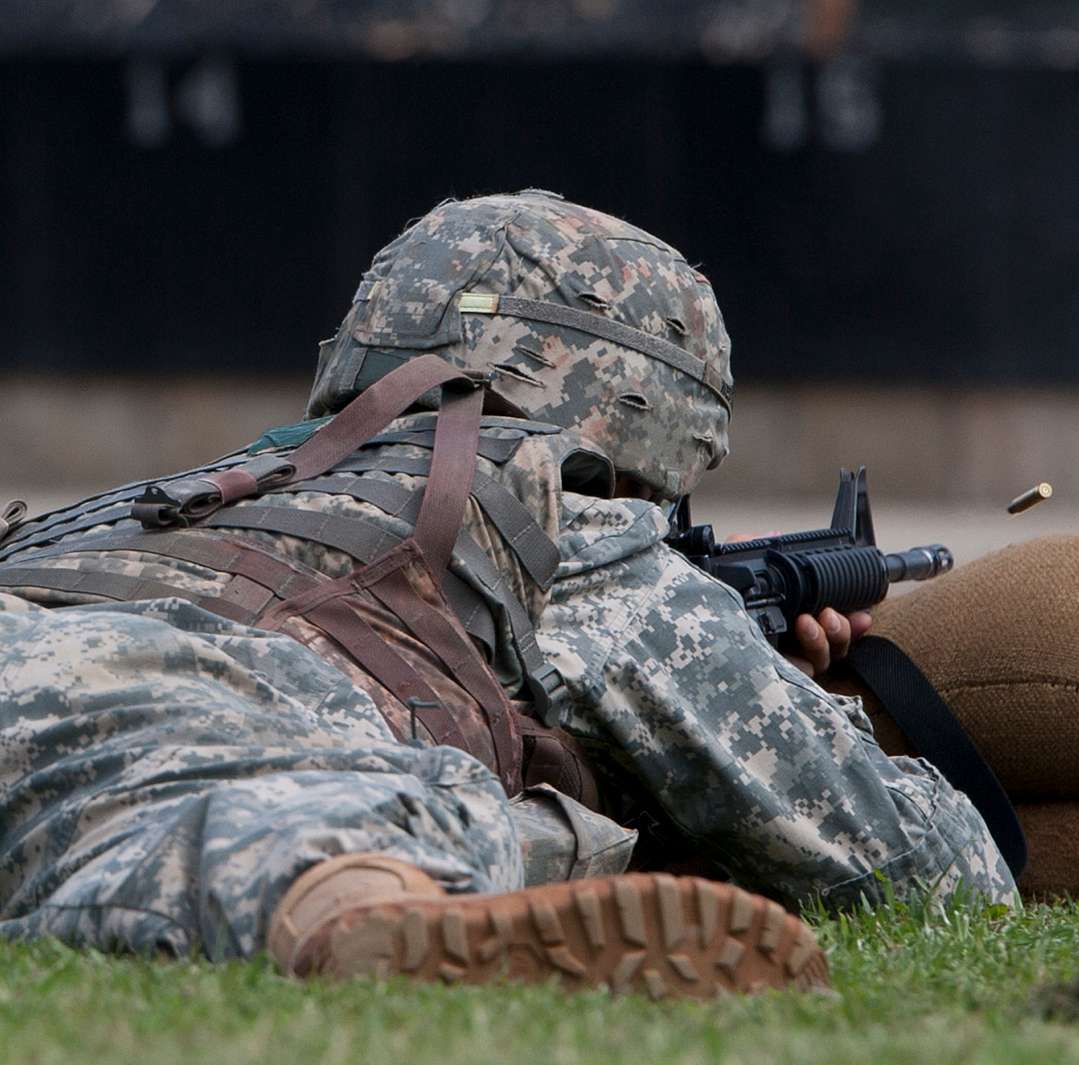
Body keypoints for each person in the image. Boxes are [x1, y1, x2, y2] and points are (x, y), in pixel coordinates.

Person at [0, 190, 1014, 996]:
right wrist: (802, 703)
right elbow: (920, 868)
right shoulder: (568, 526)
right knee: (425, 810)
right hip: (190, 702)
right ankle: (355, 912)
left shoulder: (224, 485)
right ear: (641, 401)